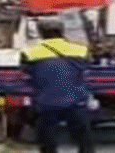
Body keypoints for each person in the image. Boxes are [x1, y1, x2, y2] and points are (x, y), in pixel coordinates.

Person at [20, 19, 96, 153]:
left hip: (46, 102)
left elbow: (27, 72)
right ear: (62, 32)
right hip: (75, 101)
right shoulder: (81, 50)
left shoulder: (29, 53)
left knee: (47, 140)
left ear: (41, 33)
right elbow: (87, 67)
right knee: (85, 141)